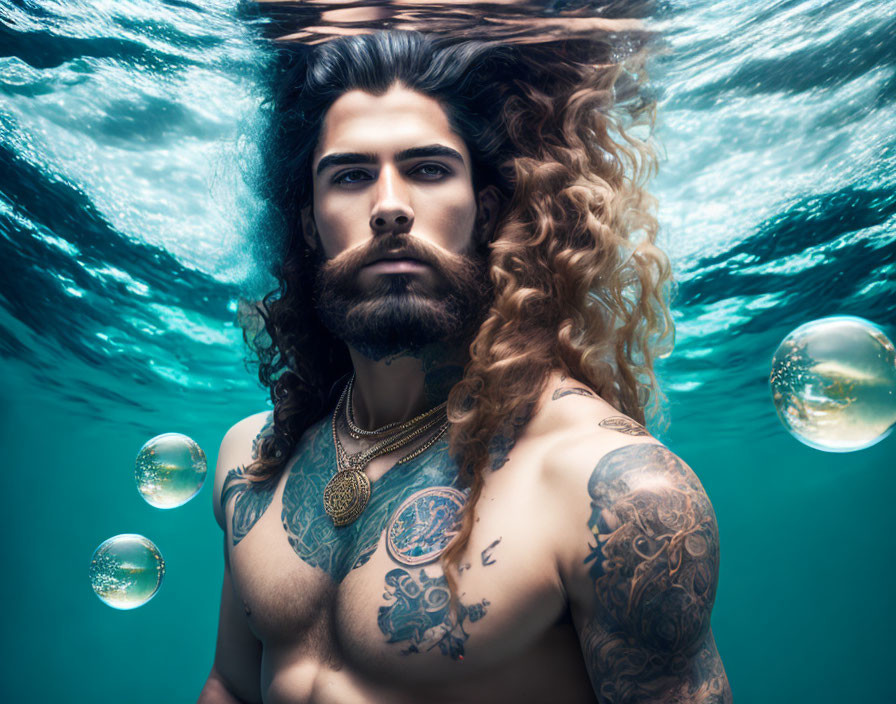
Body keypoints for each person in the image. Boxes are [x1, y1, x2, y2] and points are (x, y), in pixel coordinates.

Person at [198, 30, 731, 704]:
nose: (389, 206)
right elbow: (233, 688)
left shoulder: (617, 492)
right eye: (352, 175)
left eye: (427, 169)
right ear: (309, 225)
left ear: (485, 214)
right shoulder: (252, 461)